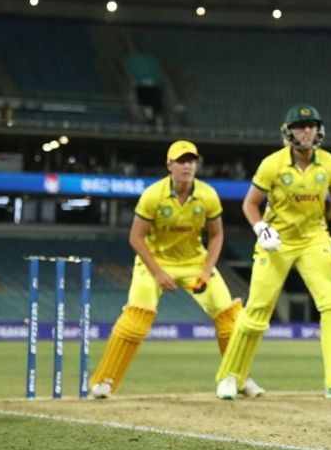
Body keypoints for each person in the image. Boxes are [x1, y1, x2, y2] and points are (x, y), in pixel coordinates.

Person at [90, 140, 263, 399]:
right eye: (181, 161)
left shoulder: (207, 195)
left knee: (230, 318)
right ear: (169, 165)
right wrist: (158, 273)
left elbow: (216, 236)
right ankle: (105, 381)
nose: (187, 166)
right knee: (135, 320)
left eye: (191, 161)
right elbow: (136, 237)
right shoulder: (153, 195)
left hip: (195, 263)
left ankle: (240, 378)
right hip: (154, 263)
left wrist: (206, 270)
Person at [214, 105, 331, 400]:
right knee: (257, 310)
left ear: (318, 130)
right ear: (288, 132)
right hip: (276, 241)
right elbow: (249, 204)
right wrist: (261, 228)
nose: (306, 131)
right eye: (299, 126)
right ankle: (231, 376)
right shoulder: (272, 164)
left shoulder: (330, 164)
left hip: (314, 239)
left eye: (311, 125)